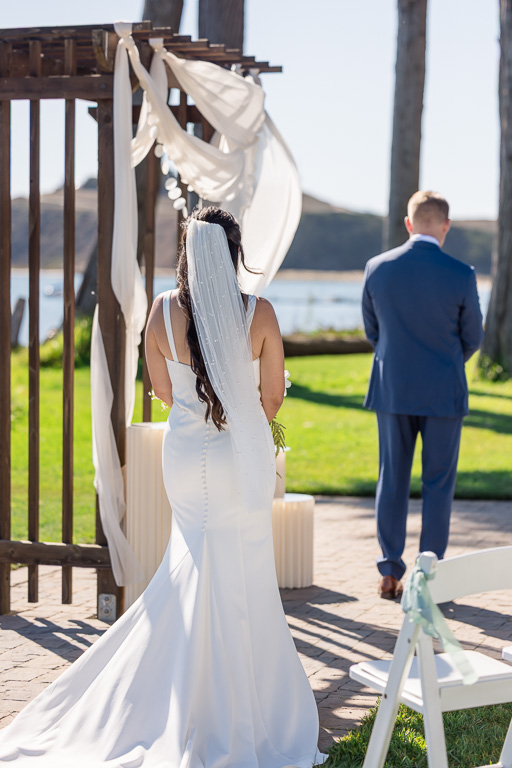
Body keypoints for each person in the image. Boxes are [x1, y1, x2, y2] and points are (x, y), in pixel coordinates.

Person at [0, 207, 324, 767]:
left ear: (188, 254)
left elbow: (163, 392)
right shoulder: (260, 312)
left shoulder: (161, 311)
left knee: (191, 561)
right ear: (234, 253)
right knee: (241, 571)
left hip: (185, 458)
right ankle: (233, 708)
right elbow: (271, 398)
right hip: (239, 458)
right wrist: (242, 414)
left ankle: (175, 699)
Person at [362, 191, 484, 600]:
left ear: (408, 223)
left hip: (392, 389)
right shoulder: (462, 273)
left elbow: (373, 331)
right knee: (438, 484)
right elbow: (473, 337)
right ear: (445, 226)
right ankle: (430, 575)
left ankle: (389, 570)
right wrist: (445, 362)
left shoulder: (377, 268)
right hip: (443, 392)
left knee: (392, 479)